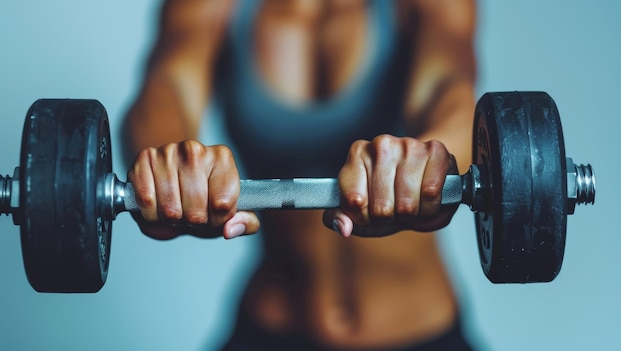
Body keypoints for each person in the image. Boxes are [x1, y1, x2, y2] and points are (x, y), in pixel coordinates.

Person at [123, 0, 477, 349]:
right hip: (272, 325)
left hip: (420, 332)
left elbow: (449, 88)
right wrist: (165, 171)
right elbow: (168, 88)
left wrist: (433, 160)